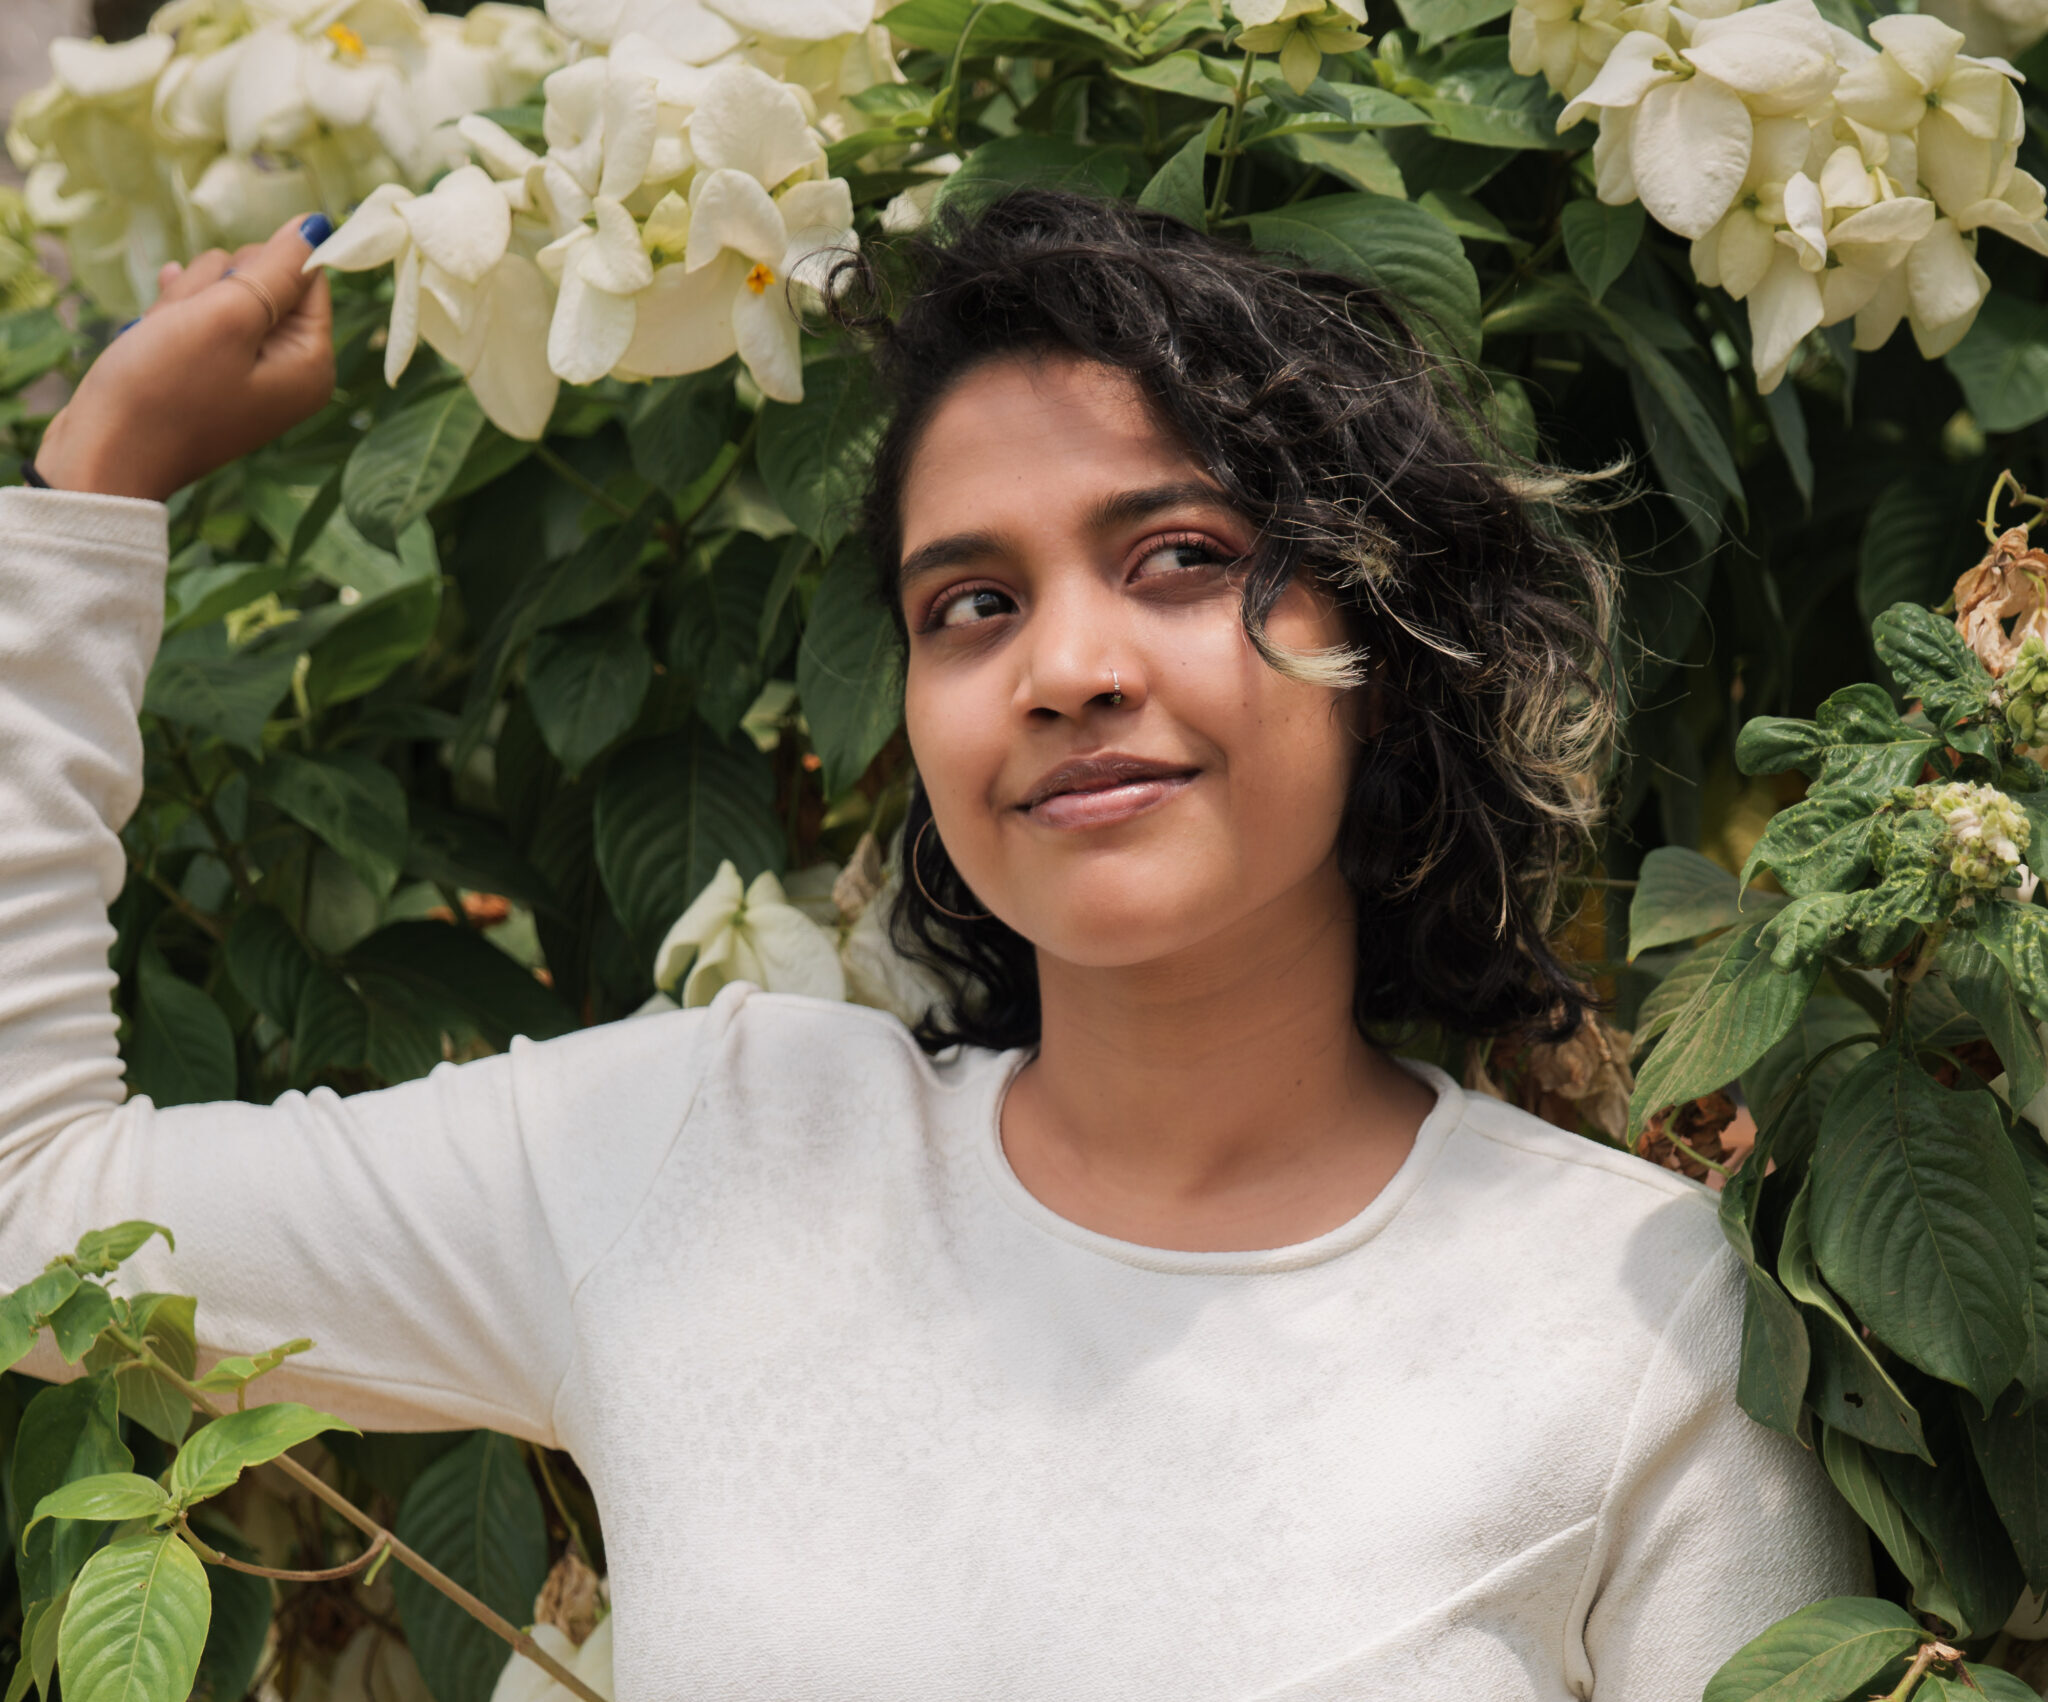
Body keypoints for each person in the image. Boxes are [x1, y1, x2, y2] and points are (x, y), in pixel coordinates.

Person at [0, 189, 1863, 1700]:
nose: (1066, 670)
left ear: (1385, 647)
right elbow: (34, 1201)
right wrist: (96, 488)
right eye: (971, 603)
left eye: (1184, 558)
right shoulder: (704, 1157)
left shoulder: (1635, 1314)